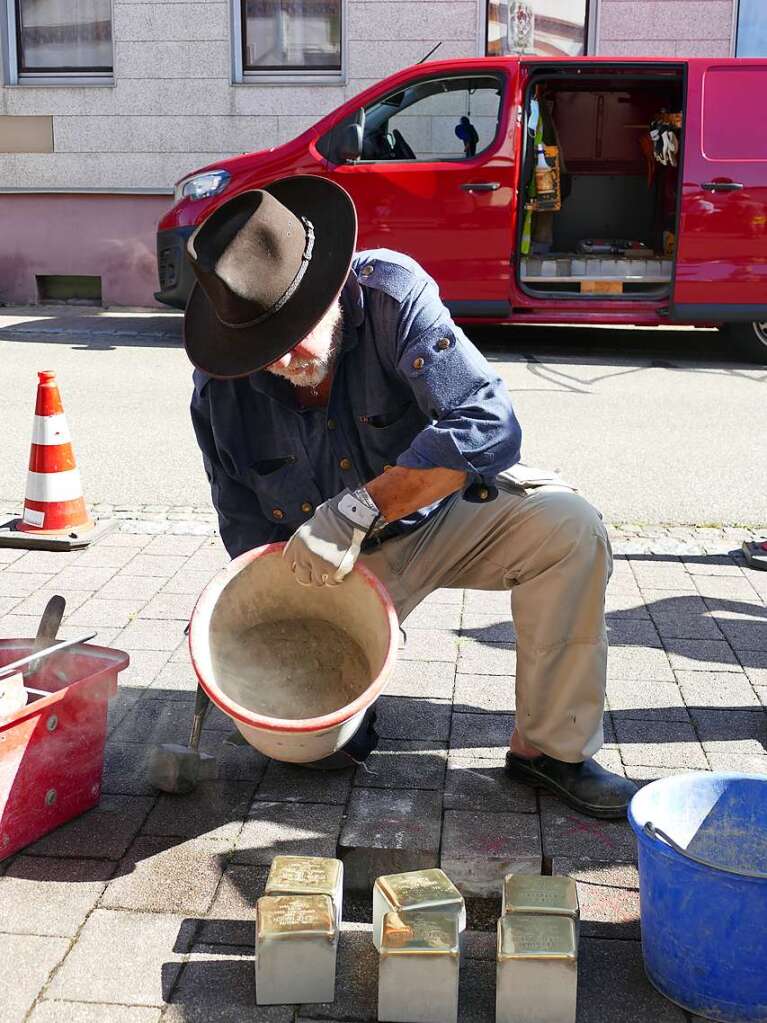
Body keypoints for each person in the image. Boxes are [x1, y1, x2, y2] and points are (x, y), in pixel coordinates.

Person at [184, 175, 638, 819]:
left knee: (567, 527)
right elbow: (242, 521)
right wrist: (235, 621)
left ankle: (551, 750)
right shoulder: (219, 391)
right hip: (327, 568)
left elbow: (488, 422)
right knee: (315, 755)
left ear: (329, 291)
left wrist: (359, 508)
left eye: (294, 331)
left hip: (436, 518)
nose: (283, 359)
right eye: (261, 346)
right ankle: (342, 725)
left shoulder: (393, 297)